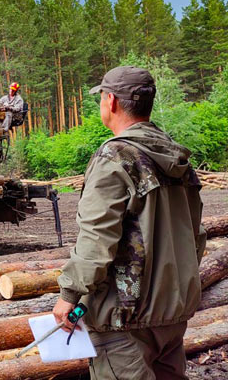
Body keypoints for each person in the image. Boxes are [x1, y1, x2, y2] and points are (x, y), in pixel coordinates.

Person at [52, 66, 205, 379]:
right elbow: (196, 238)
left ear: (111, 102)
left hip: (123, 320)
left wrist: (69, 295)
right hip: (171, 317)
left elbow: (97, 237)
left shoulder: (115, 157)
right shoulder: (177, 159)